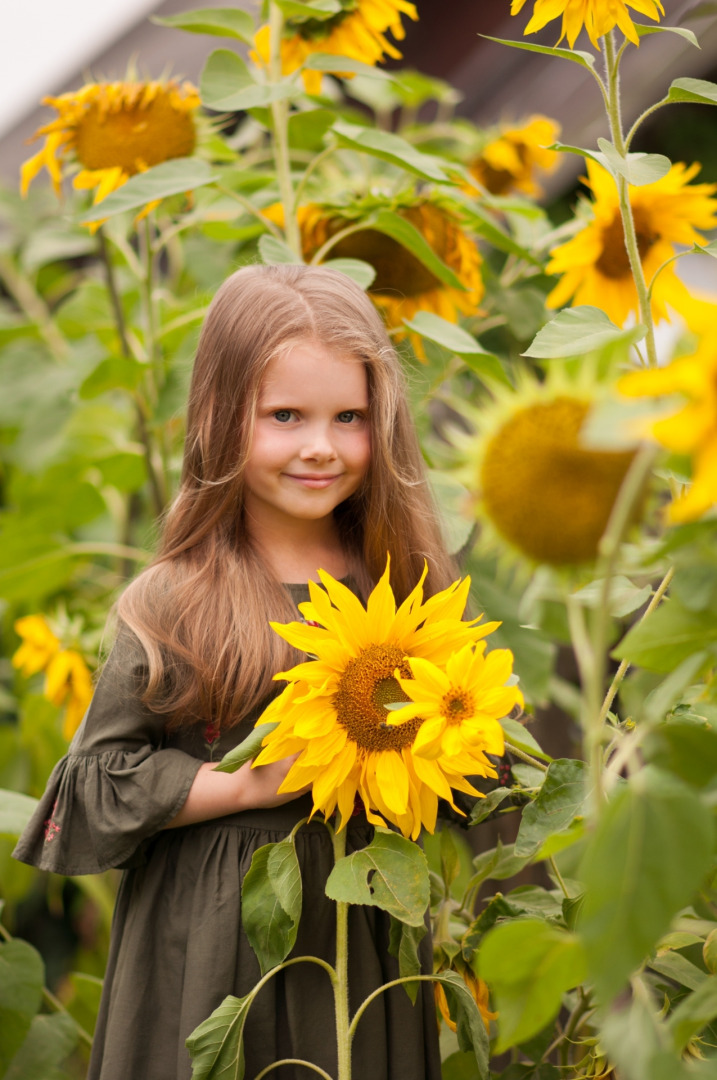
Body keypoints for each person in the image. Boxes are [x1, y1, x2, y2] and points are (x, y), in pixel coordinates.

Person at [14, 264, 459, 1080]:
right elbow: (92, 783)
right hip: (213, 935)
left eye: (348, 416)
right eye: (284, 415)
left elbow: (460, 740)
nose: (320, 445)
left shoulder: (399, 581)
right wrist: (244, 786)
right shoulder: (178, 600)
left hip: (366, 918)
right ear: (222, 418)